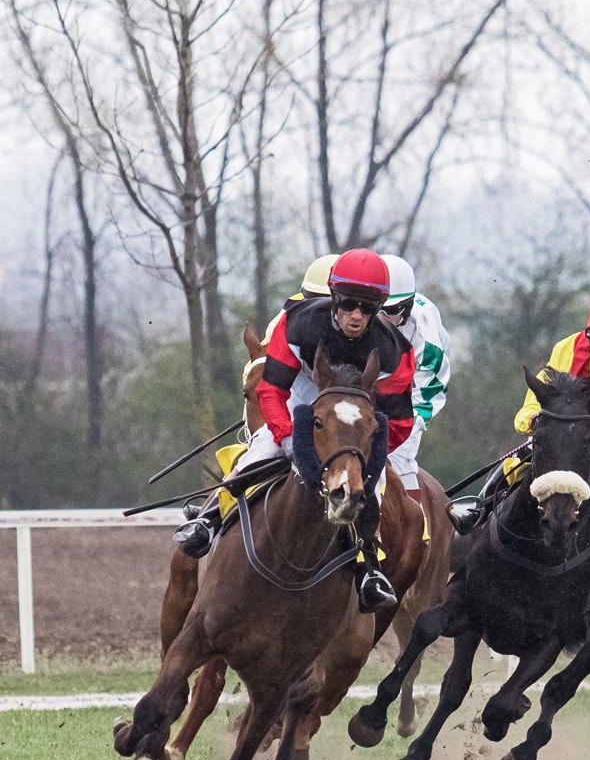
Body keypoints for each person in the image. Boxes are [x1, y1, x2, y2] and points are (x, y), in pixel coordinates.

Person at [174, 249, 412, 613]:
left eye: (367, 308)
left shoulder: (396, 351)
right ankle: (209, 521)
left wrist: (361, 451)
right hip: (299, 397)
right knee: (259, 452)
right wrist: (286, 437)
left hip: (353, 422)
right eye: (349, 304)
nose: (356, 315)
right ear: (335, 297)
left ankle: (369, 569)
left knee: (373, 487)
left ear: (378, 308)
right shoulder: (299, 323)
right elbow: (271, 390)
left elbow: (398, 422)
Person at [461, 284, 590, 602]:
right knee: (515, 462)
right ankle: (477, 509)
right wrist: (535, 423)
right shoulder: (568, 350)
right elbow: (530, 407)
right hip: (559, 433)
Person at [379, 254, 452, 496]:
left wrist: (403, 433)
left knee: (400, 454)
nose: (381, 318)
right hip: (377, 379)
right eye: (375, 308)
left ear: (407, 305)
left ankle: (415, 516)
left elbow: (428, 393)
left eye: (390, 310)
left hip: (417, 384)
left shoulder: (424, 332)